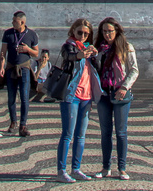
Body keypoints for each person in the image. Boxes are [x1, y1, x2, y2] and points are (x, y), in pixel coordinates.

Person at [56, 19, 100, 183]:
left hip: (86, 96)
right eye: (79, 32)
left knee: (81, 135)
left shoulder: (88, 48)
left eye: (86, 34)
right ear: (73, 31)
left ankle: (76, 168)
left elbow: (97, 69)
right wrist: (80, 55)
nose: (82, 36)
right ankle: (61, 170)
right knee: (67, 134)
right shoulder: (69, 45)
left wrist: (95, 56)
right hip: (71, 95)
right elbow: (69, 56)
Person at [95, 17, 137, 181]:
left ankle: (122, 168)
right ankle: (106, 167)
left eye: (110, 31)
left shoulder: (126, 47)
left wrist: (124, 87)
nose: (107, 34)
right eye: (104, 31)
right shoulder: (99, 49)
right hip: (104, 92)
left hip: (121, 92)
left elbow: (134, 70)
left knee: (121, 132)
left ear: (117, 31)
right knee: (105, 132)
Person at [0, 10, 40, 138]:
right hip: (11, 68)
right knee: (11, 96)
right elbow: (3, 52)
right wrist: (1, 67)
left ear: (22, 22)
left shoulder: (32, 34)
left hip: (24, 69)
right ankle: (13, 122)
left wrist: (28, 49)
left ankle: (23, 125)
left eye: (15, 21)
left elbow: (36, 53)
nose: (12, 23)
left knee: (24, 97)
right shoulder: (8, 33)